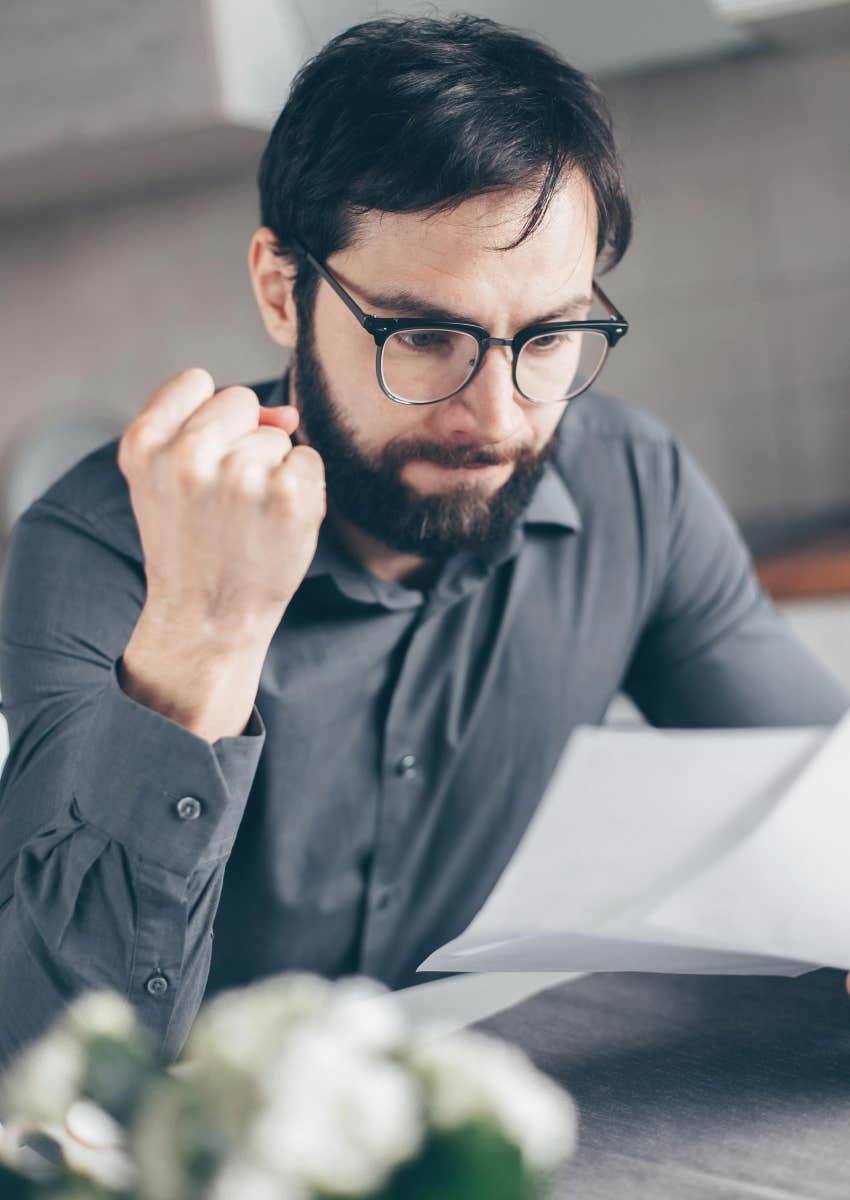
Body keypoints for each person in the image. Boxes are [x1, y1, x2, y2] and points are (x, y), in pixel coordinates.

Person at [0, 14, 847, 1074]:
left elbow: (825, 805)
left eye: (547, 338)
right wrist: (202, 634)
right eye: (423, 335)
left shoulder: (635, 489)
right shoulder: (98, 546)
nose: (493, 416)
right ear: (280, 289)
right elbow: (41, 1065)